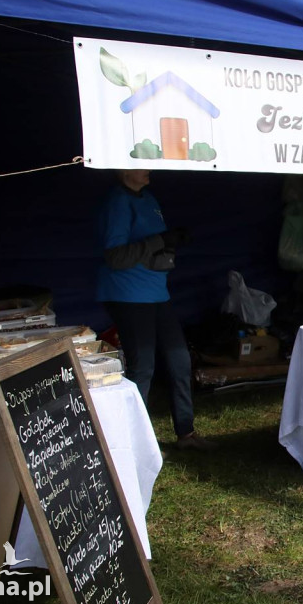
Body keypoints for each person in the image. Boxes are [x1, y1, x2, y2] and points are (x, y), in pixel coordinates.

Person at [96, 169, 216, 451]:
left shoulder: (148, 198)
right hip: (127, 294)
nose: (149, 169)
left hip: (156, 292)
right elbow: (115, 257)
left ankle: (185, 433)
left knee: (179, 360)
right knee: (143, 366)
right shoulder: (117, 203)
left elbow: (150, 244)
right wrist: (161, 241)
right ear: (124, 169)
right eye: (141, 164)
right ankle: (134, 444)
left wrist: (170, 240)